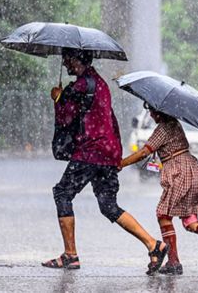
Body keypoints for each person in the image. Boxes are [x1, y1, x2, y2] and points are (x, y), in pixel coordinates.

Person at [42, 48, 168, 275]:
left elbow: (65, 117)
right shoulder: (100, 84)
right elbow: (108, 117)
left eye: (66, 59)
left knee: (62, 193)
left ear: (75, 60)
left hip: (90, 152)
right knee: (108, 206)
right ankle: (153, 244)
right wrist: (115, 153)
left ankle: (70, 255)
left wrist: (57, 98)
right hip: (108, 153)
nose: (65, 64)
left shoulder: (79, 86)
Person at [120, 104, 198, 275]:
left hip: (180, 173)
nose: (150, 114)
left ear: (160, 112)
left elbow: (143, 153)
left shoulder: (164, 128)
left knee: (163, 215)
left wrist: (122, 163)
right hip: (190, 170)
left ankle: (173, 262)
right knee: (190, 222)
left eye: (152, 111)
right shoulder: (174, 124)